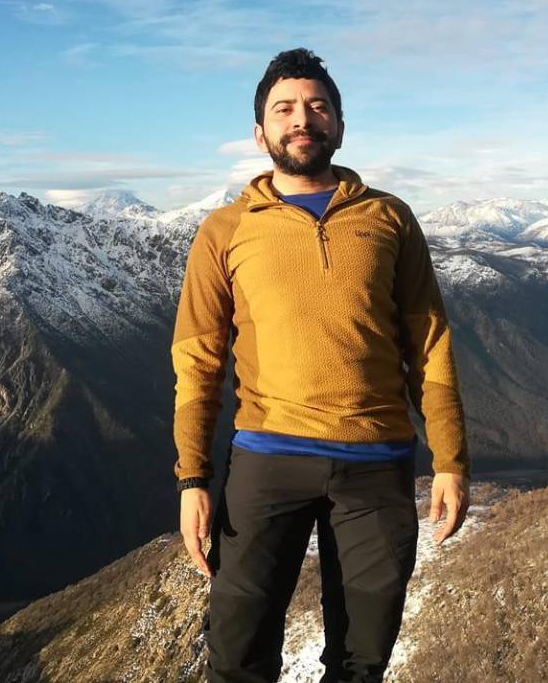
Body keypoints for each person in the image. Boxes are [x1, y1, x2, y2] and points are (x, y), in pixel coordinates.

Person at [171, 47, 470, 682]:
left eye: (317, 106)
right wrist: (192, 478)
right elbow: (197, 358)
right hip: (264, 461)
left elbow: (429, 341)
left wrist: (450, 459)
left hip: (377, 467)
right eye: (284, 109)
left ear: (338, 123)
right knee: (237, 655)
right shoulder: (224, 230)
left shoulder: (389, 217)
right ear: (259, 133)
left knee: (362, 662)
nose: (301, 119)